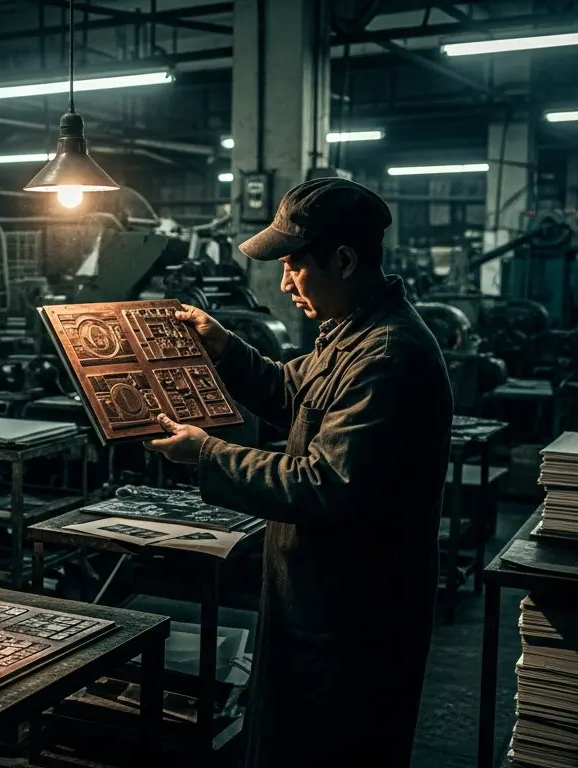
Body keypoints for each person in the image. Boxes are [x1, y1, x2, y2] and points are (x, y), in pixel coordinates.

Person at [143, 178, 453, 767]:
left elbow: (323, 482)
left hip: (353, 614)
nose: (284, 283)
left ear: (342, 259)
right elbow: (292, 391)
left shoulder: (388, 354)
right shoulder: (352, 334)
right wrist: (226, 347)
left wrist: (206, 453)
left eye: (293, 265)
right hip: (316, 595)